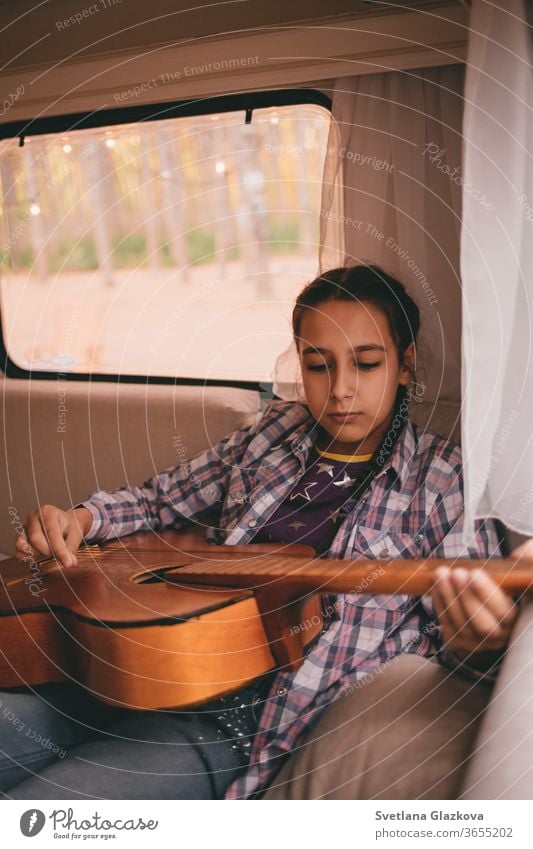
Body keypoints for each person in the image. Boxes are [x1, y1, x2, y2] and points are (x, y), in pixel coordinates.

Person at [2, 265, 518, 800]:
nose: (341, 390)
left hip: (230, 722)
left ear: (406, 365)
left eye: (366, 363)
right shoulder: (272, 433)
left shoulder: (446, 480)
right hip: (123, 672)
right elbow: (159, 500)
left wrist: (475, 645)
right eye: (318, 365)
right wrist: (80, 519)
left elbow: (464, 645)